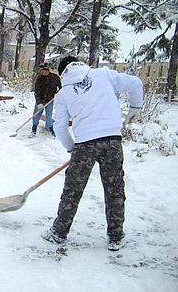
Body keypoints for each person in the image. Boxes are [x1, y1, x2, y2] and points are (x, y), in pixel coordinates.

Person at [42, 56, 143, 251]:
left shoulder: (64, 93)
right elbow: (135, 83)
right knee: (114, 189)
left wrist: (72, 148)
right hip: (113, 141)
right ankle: (116, 236)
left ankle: (59, 232)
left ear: (63, 73)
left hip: (84, 144)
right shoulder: (103, 74)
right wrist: (136, 107)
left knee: (73, 190)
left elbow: (60, 127)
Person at [29, 63, 61, 138]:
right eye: (40, 70)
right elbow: (36, 92)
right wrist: (39, 103)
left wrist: (58, 93)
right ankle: (34, 130)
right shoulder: (39, 79)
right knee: (36, 115)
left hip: (50, 101)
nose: (41, 72)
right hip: (40, 100)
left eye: (42, 70)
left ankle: (51, 130)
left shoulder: (55, 77)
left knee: (49, 116)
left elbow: (60, 88)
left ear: (46, 70)